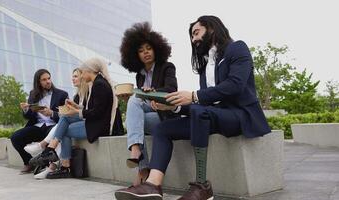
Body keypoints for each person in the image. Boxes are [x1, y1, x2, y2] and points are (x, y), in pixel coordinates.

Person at [114, 15, 271, 200]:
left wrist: (194, 96)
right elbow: (204, 102)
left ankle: (202, 186)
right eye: (191, 36)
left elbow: (235, 85)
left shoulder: (237, 48)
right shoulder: (205, 67)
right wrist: (172, 108)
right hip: (212, 116)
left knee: (198, 109)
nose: (194, 39)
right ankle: (153, 184)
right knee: (161, 128)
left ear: (211, 29)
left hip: (239, 115)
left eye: (196, 33)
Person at [31, 57, 118, 179]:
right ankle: (54, 154)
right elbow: (95, 109)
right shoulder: (97, 83)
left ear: (90, 71)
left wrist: (77, 111)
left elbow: (97, 113)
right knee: (65, 119)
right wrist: (77, 106)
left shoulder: (99, 84)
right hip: (95, 122)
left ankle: (58, 158)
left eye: (82, 73)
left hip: (98, 126)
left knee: (64, 128)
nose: (81, 76)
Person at [118, 22, 178, 185]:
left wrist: (153, 92)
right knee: (134, 105)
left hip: (166, 115)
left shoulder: (167, 67)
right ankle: (143, 168)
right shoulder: (140, 75)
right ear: (135, 55)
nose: (145, 53)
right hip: (150, 115)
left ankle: (138, 160)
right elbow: (139, 102)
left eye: (148, 48)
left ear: (156, 49)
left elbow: (172, 89)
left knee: (135, 105)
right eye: (141, 51)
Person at [25, 68, 89, 179]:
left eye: (76, 76)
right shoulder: (78, 95)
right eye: (72, 76)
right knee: (62, 127)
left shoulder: (87, 92)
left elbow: (90, 111)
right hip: (56, 123)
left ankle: (45, 150)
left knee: (62, 127)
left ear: (83, 77)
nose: (72, 79)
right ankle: (54, 161)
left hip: (86, 123)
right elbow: (75, 112)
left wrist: (53, 113)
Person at [11, 69, 68, 174]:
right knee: (15, 137)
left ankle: (47, 165)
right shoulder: (33, 94)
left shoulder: (62, 94)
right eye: (44, 80)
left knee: (52, 138)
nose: (48, 81)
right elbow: (29, 116)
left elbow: (66, 116)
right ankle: (29, 163)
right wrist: (25, 109)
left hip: (53, 125)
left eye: (49, 78)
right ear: (38, 82)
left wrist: (52, 113)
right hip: (37, 126)